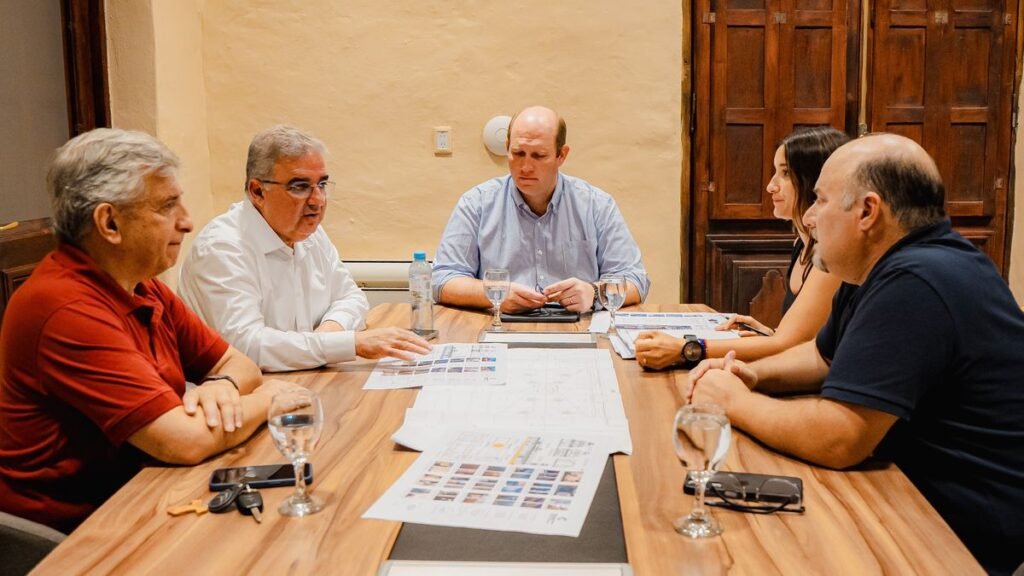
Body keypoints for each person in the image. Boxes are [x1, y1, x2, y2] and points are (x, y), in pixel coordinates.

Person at [686, 134, 1024, 575]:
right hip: (904, 496)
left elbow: (840, 437)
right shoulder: (879, 267)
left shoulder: (918, 281)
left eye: (821, 200)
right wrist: (753, 375)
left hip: (952, 537)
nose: (808, 216)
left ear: (868, 211)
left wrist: (734, 402)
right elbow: (823, 357)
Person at [0, 129, 296, 533]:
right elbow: (185, 440)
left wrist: (222, 386)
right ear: (110, 223)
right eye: (167, 206)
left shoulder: (140, 282)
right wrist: (272, 399)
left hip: (141, 495)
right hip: (73, 536)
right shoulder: (65, 307)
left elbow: (237, 363)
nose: (188, 221)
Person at [178, 125, 430, 372]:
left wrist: (328, 335)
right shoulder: (223, 248)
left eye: (321, 184)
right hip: (233, 399)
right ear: (257, 191)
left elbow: (351, 297)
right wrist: (348, 344)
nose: (317, 200)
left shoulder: (310, 234)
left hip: (302, 381)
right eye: (299, 187)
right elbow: (247, 347)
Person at [635, 127, 847, 368]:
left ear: (815, 181)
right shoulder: (802, 243)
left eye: (785, 173)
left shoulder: (831, 258)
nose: (770, 186)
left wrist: (688, 348)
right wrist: (769, 333)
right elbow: (802, 339)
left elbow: (788, 346)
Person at [432, 106, 649, 313]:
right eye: (517, 153)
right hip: (500, 329)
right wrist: (494, 293)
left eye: (538, 156)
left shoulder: (596, 205)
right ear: (507, 146)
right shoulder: (477, 203)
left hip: (578, 329)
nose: (525, 167)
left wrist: (594, 293)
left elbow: (635, 280)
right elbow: (443, 280)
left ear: (561, 155)